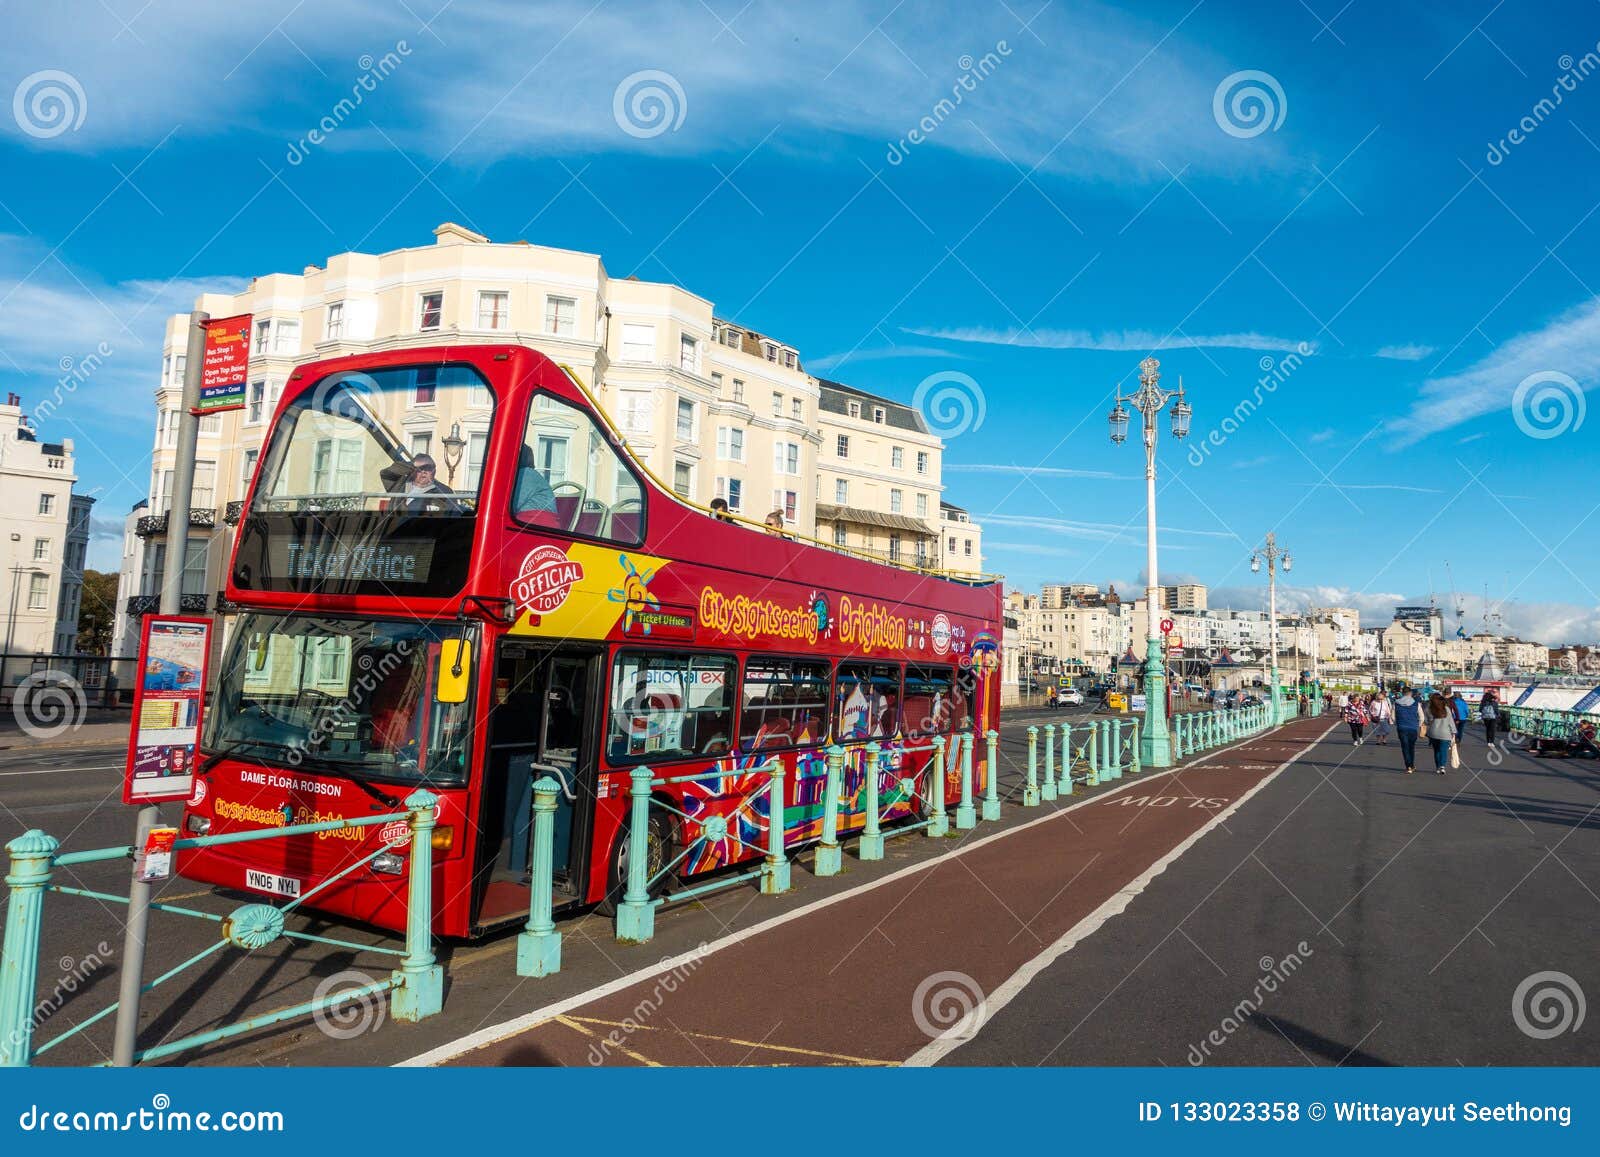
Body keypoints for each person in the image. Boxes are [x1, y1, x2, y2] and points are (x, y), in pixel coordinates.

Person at [1394, 685, 1424, 774]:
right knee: (1411, 747)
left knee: (1404, 747)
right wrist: (1418, 725)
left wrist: (1397, 723)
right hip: (1413, 728)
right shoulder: (1416, 704)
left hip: (1401, 727)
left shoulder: (1396, 703)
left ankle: (1408, 766)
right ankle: (1411, 764)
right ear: (1410, 693)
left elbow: (1392, 717)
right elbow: (1422, 717)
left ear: (1402, 693)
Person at [1426, 692, 1456, 775]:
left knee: (1436, 751)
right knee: (1443, 750)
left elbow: (1426, 721)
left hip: (1433, 733)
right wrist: (1454, 731)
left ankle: (1437, 767)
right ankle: (1442, 766)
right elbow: (1451, 722)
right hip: (1445, 733)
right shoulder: (1446, 709)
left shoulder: (1429, 709)